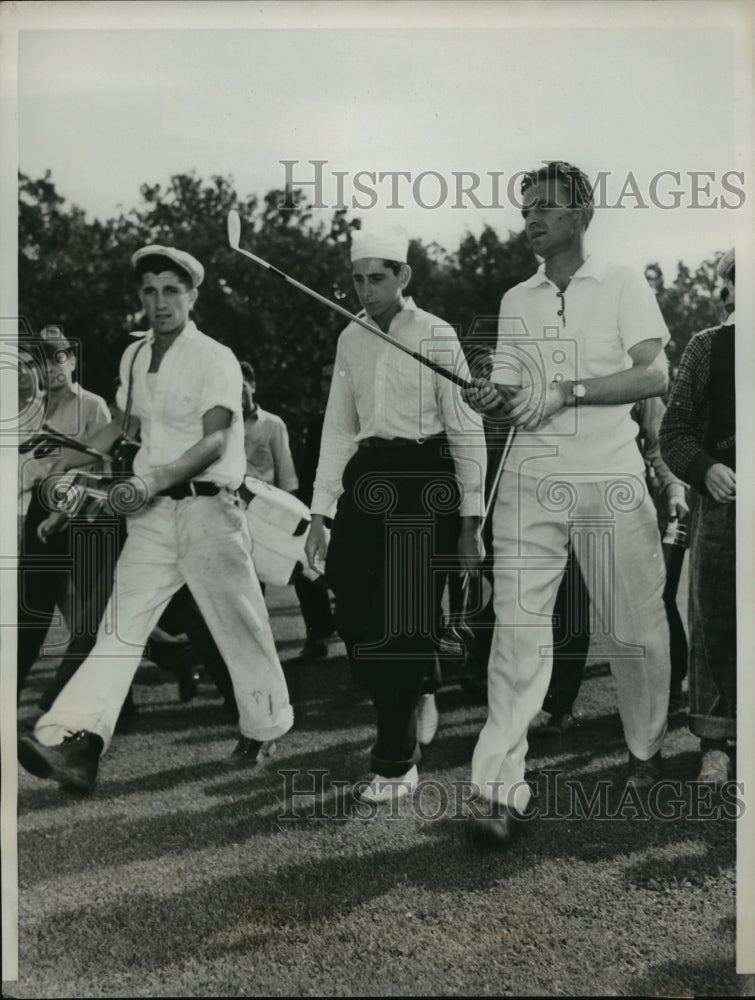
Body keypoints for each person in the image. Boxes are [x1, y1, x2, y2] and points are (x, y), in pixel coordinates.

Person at [18, 244, 293, 793]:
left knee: (239, 627)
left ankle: (266, 723)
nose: (159, 302)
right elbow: (122, 424)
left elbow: (216, 439)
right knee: (119, 630)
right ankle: (77, 743)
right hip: (151, 517)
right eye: (149, 291)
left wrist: (150, 478)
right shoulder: (134, 356)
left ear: (192, 295)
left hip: (210, 511)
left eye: (171, 291)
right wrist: (59, 464)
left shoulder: (215, 356)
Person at [463, 161, 672, 845]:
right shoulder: (514, 298)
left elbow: (652, 372)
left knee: (633, 631)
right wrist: (492, 396)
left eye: (545, 206)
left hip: (609, 477)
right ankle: (497, 788)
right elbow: (510, 384)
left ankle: (644, 751)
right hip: (529, 478)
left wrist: (568, 392)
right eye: (525, 207)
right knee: (517, 634)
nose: (530, 218)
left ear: (581, 215)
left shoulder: (620, 282)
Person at [305, 225, 486, 804]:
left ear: (403, 276)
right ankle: (420, 683)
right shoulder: (349, 337)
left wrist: (470, 521)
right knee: (352, 604)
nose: (365, 291)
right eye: (357, 280)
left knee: (403, 623)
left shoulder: (436, 334)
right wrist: (318, 514)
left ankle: (395, 762)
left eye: (376, 279)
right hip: (366, 479)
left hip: (424, 481)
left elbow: (465, 429)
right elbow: (337, 428)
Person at [541, 394, 689, 731]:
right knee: (570, 604)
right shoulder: (564, 386)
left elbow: (660, 446)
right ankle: (559, 704)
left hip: (629, 508)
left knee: (654, 601)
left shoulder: (641, 388)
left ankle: (671, 683)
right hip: (575, 509)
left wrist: (675, 492)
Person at [659, 248, 736, 789]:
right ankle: (716, 744)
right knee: (715, 621)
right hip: (724, 507)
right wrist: (706, 469)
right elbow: (673, 433)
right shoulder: (709, 346)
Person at [17, 326, 111, 694]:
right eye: (45, 360)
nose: (53, 367)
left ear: (71, 360)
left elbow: (105, 466)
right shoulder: (31, 409)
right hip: (42, 511)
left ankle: (175, 658)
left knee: (94, 607)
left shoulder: (92, 404)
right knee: (36, 605)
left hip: (86, 509)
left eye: (60, 358)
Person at [241, 362, 336, 658]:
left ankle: (325, 635)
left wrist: (292, 517)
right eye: (323, 378)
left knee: (308, 571)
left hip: (274, 514)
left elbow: (288, 476)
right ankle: (256, 650)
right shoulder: (220, 426)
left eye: (242, 385)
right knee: (248, 586)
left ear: (253, 384)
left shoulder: (272, 424)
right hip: (236, 516)